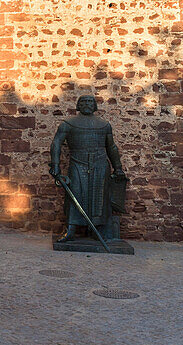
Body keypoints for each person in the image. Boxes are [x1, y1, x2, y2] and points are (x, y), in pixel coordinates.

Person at [49, 94, 127, 241]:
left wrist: (118, 168)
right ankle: (71, 228)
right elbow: (56, 144)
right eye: (83, 101)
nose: (87, 104)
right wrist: (55, 165)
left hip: (100, 164)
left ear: (95, 105)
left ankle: (99, 229)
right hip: (78, 163)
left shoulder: (104, 125)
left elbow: (111, 147)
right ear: (78, 105)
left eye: (90, 101)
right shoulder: (68, 123)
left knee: (100, 199)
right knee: (75, 196)